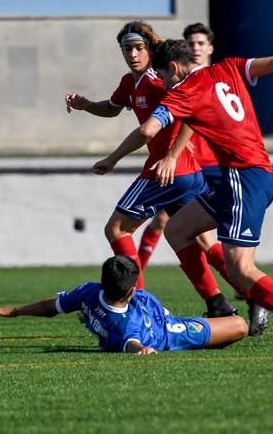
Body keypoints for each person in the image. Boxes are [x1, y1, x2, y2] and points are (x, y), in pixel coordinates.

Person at [93, 39, 273, 345]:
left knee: (240, 269)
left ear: (173, 68)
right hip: (245, 175)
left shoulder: (183, 92)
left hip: (242, 178)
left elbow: (147, 130)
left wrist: (113, 158)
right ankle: (217, 303)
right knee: (179, 230)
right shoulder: (229, 67)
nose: (165, 85)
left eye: (164, 76)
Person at [65, 21, 238, 319]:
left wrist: (165, 155)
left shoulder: (158, 80)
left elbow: (189, 114)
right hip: (185, 174)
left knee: (117, 229)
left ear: (149, 49)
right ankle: (232, 297)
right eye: (126, 49)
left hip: (166, 172)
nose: (132, 54)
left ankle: (137, 306)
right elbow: (112, 107)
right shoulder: (129, 82)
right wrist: (85, 105)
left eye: (138, 48)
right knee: (198, 239)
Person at [134, 22, 269, 336]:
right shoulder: (181, 79)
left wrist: (172, 153)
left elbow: (190, 120)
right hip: (195, 166)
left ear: (210, 48)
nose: (195, 47)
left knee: (203, 239)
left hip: (218, 169)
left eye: (200, 43)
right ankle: (227, 300)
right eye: (190, 43)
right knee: (175, 229)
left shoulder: (215, 76)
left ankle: (244, 294)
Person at [0, 255, 248, 354]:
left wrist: (16, 311)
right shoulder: (124, 325)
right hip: (171, 332)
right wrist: (142, 350)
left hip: (160, 320)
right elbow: (130, 342)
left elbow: (50, 307)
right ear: (132, 290)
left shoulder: (88, 292)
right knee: (239, 325)